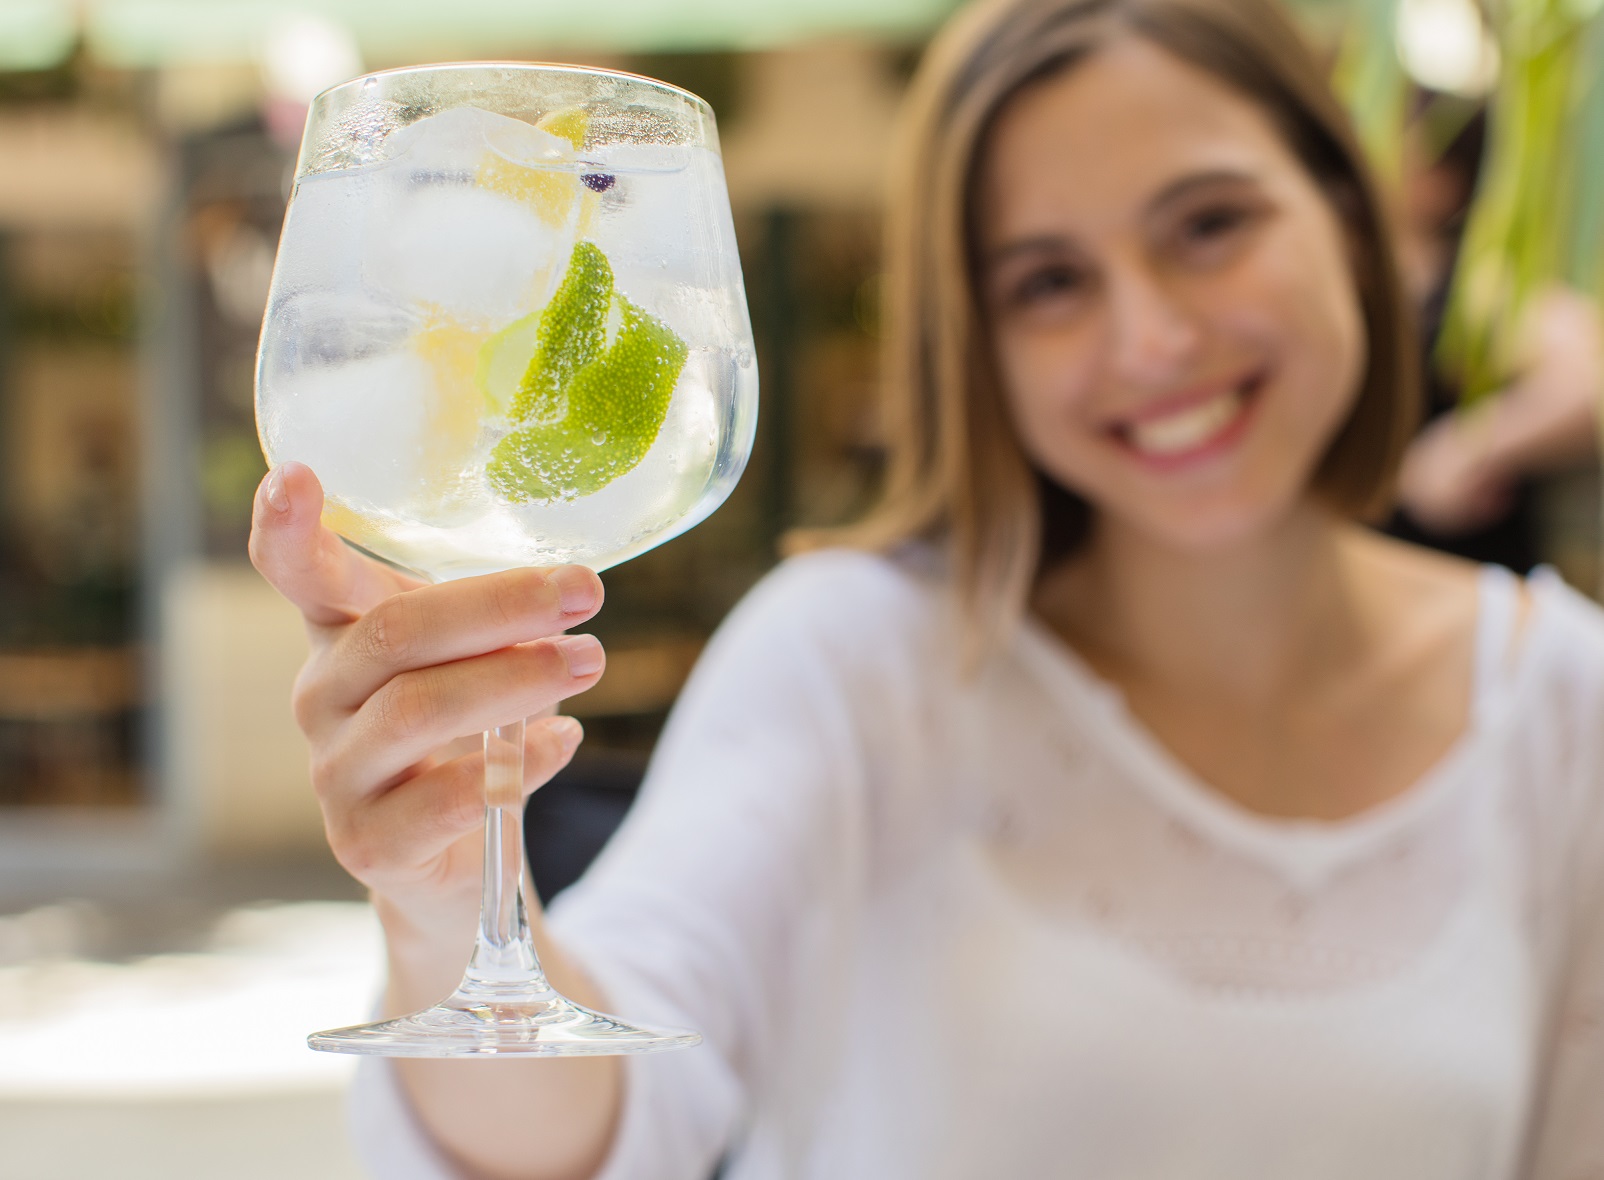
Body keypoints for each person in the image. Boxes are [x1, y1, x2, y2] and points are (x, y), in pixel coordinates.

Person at [249, 0, 1604, 1176]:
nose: (1152, 338)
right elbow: (596, 1134)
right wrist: (439, 911)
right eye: (1048, 281)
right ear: (977, 343)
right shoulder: (856, 660)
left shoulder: (1563, 704)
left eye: (1208, 225)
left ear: (1351, 210)